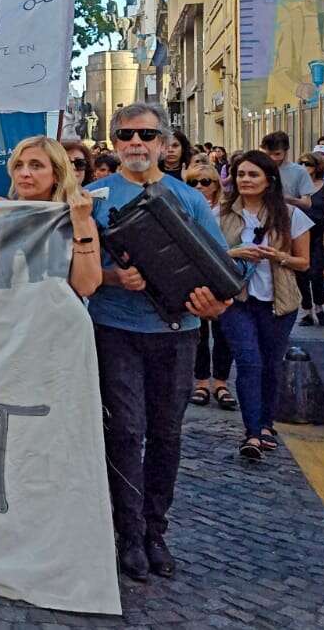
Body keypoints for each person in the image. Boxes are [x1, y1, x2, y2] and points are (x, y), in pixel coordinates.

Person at [86, 103, 230, 582]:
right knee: (125, 431)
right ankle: (127, 534)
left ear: (164, 143)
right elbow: (70, 268)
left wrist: (217, 305)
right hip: (115, 331)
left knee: (167, 434)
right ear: (114, 142)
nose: (136, 143)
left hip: (176, 334)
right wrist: (110, 276)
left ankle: (154, 531)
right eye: (126, 134)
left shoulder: (188, 199)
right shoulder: (92, 197)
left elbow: (223, 268)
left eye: (146, 134)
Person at [218, 151, 311, 458]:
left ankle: (266, 424)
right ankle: (253, 433)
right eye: (241, 174)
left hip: (278, 302)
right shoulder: (221, 214)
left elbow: (304, 263)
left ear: (269, 180)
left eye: (253, 175)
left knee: (271, 365)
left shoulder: (290, 215)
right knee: (248, 362)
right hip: (236, 300)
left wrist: (279, 257)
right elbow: (208, 254)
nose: (245, 179)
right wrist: (236, 253)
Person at [4, 136, 101, 296]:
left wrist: (81, 224)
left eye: (36, 166)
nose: (24, 173)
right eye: (18, 165)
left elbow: (86, 286)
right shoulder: (2, 216)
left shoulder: (77, 220)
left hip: (58, 317)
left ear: (56, 174)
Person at [183, 164, 235, 412]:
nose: (200, 187)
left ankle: (221, 382)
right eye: (193, 183)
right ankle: (202, 381)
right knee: (200, 334)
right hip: (194, 276)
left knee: (224, 333)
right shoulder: (184, 206)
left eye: (205, 182)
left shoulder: (228, 211)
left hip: (221, 275)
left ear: (216, 184)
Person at [298, 150, 324, 327]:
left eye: (308, 164)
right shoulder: (297, 186)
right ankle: (307, 310)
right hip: (299, 234)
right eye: (302, 164)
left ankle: (319, 307)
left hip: (319, 233)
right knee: (301, 273)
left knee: (316, 272)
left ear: (316, 166)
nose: (304, 167)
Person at [261, 131, 316, 210]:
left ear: (286, 151)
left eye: (277, 154)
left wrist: (287, 199)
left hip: (287, 217)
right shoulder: (259, 168)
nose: (273, 158)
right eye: (269, 154)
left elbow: (307, 203)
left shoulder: (299, 171)